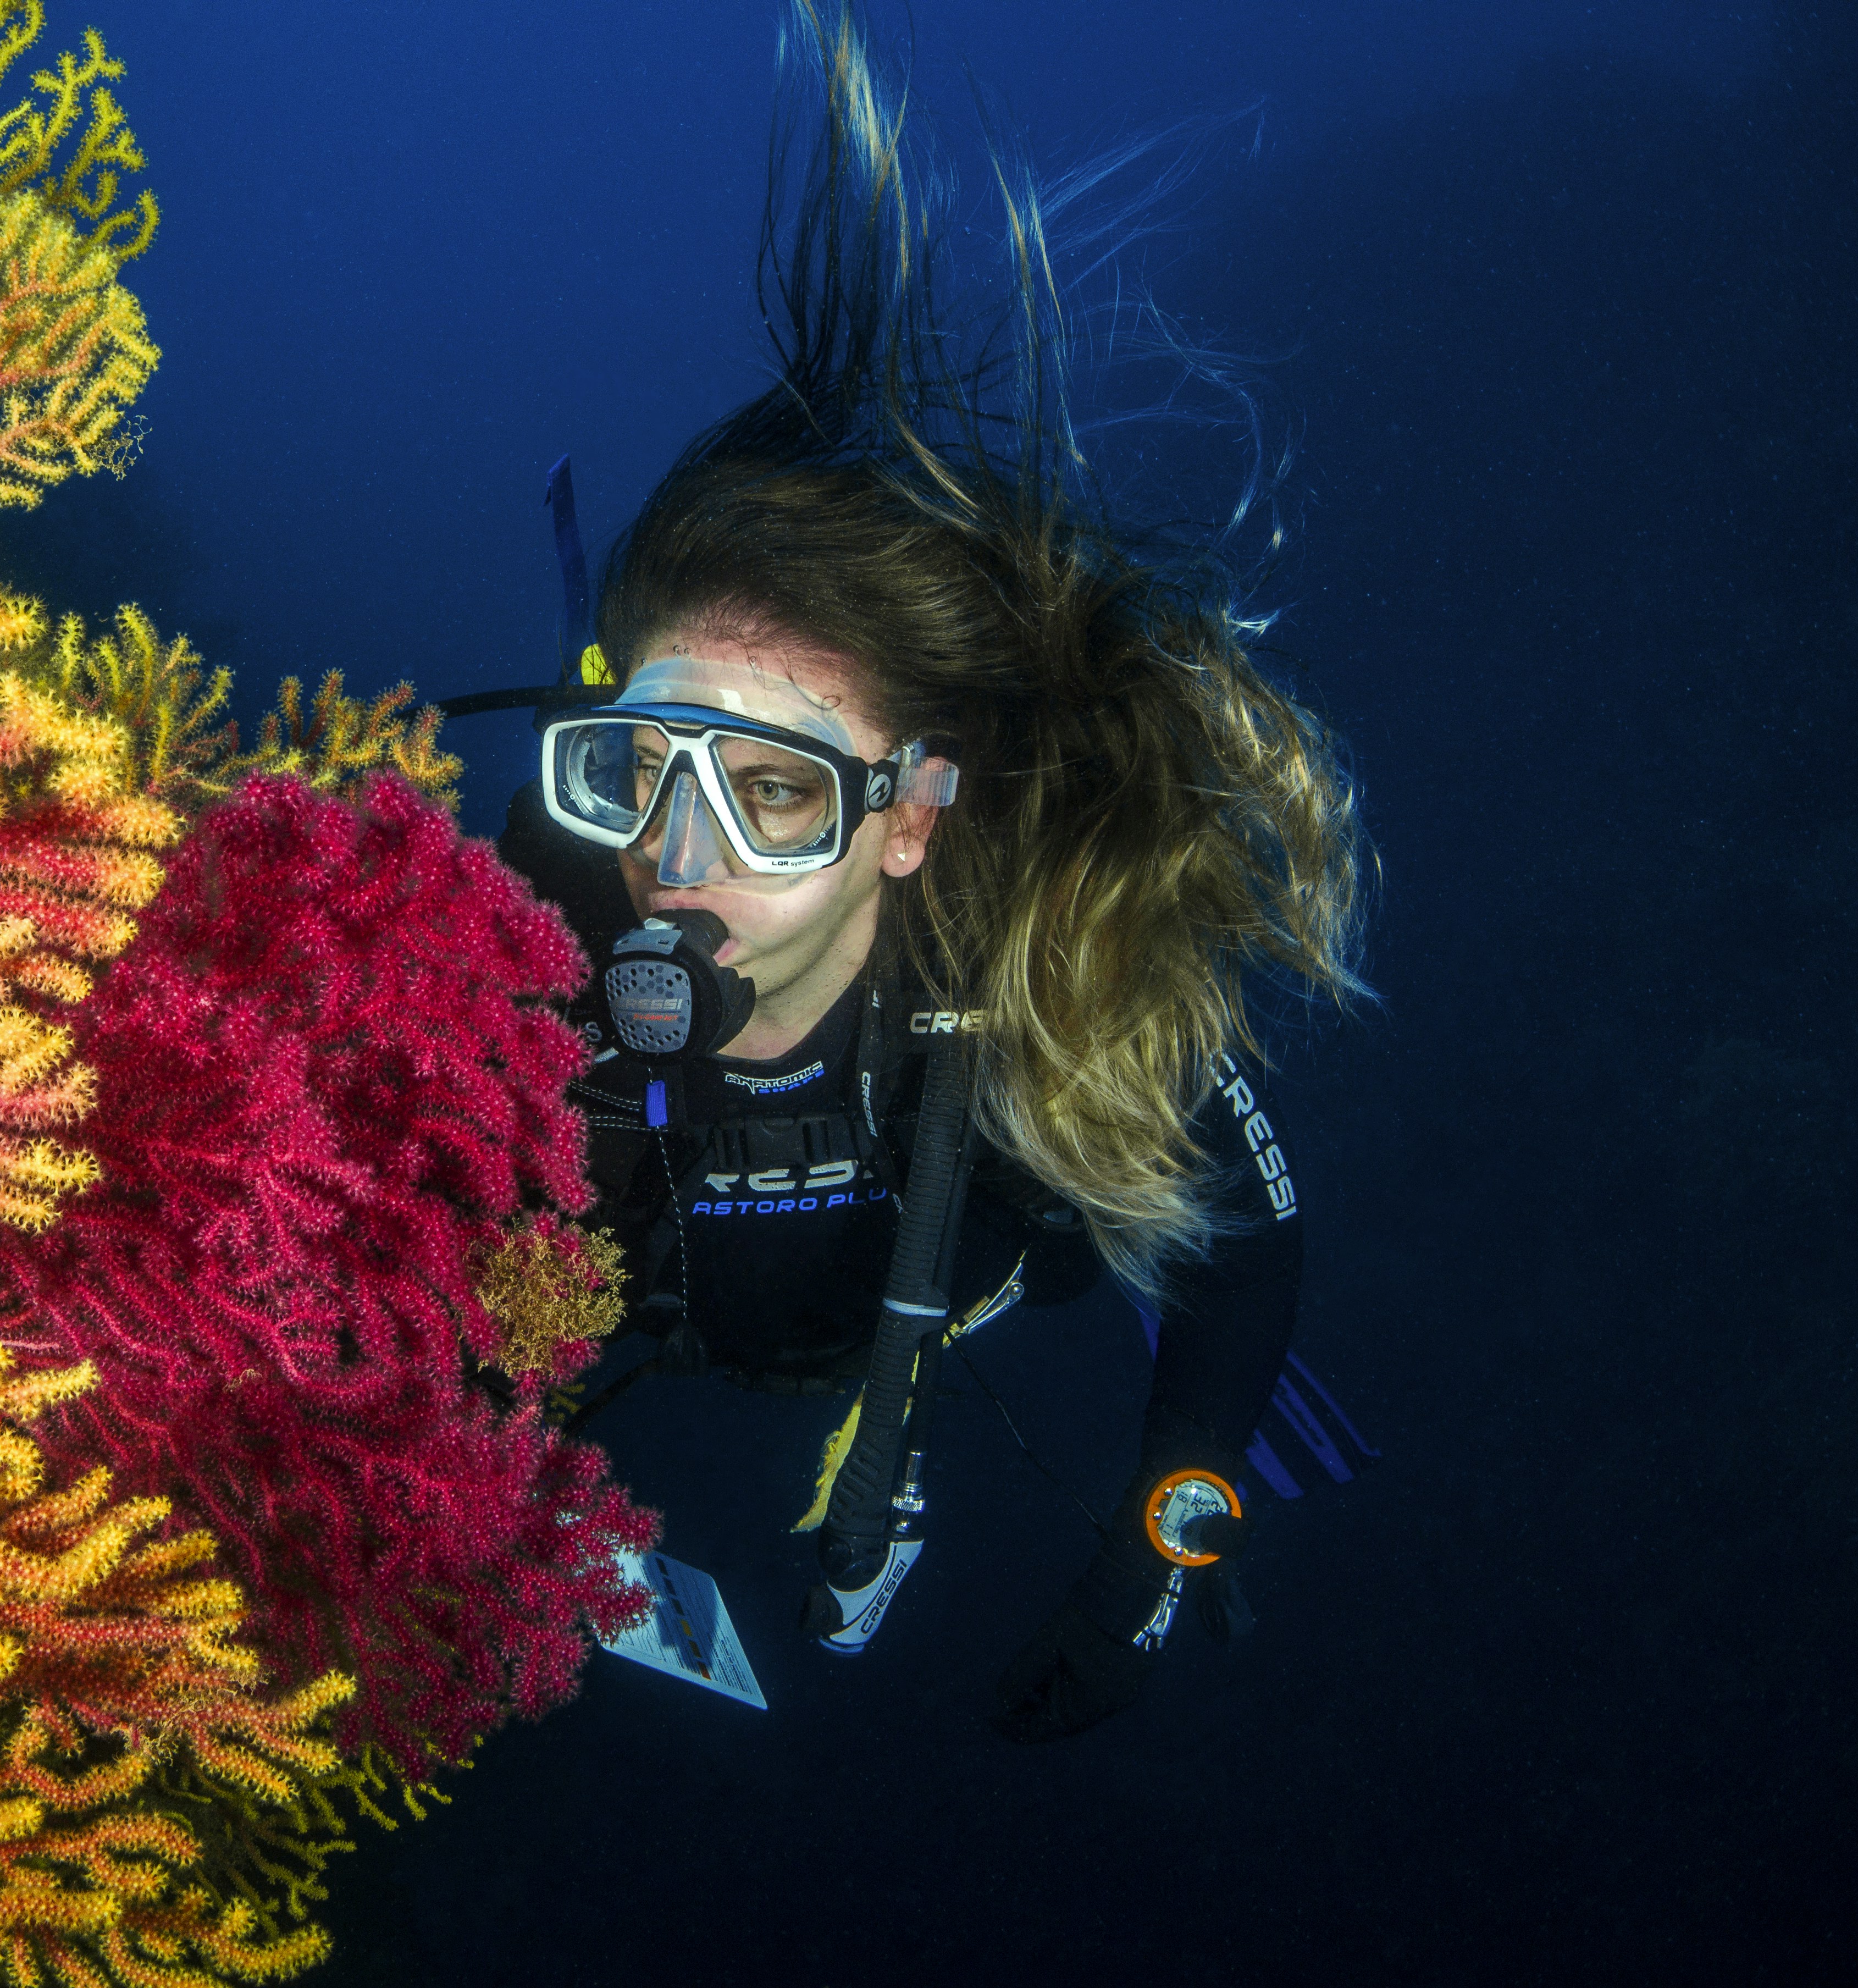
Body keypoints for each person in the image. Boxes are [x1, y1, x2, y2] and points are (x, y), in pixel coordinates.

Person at [494, 6, 1369, 1741]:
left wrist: (1176, 1529)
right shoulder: (512, 945)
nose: (676, 860)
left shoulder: (1035, 974)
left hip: (954, 1302)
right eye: (636, 775)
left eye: (773, 794)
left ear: (907, 818)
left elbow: (1249, 1243)